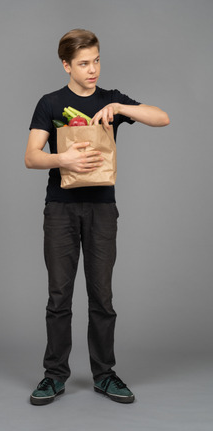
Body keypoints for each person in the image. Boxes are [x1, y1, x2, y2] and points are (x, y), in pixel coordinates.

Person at [25, 29, 170, 406]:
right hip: (60, 208)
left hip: (103, 209)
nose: (93, 70)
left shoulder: (110, 99)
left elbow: (162, 118)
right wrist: (62, 159)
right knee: (59, 296)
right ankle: (54, 376)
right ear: (66, 65)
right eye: (84, 63)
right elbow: (31, 157)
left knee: (102, 296)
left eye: (97, 60)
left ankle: (104, 375)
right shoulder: (51, 103)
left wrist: (121, 109)